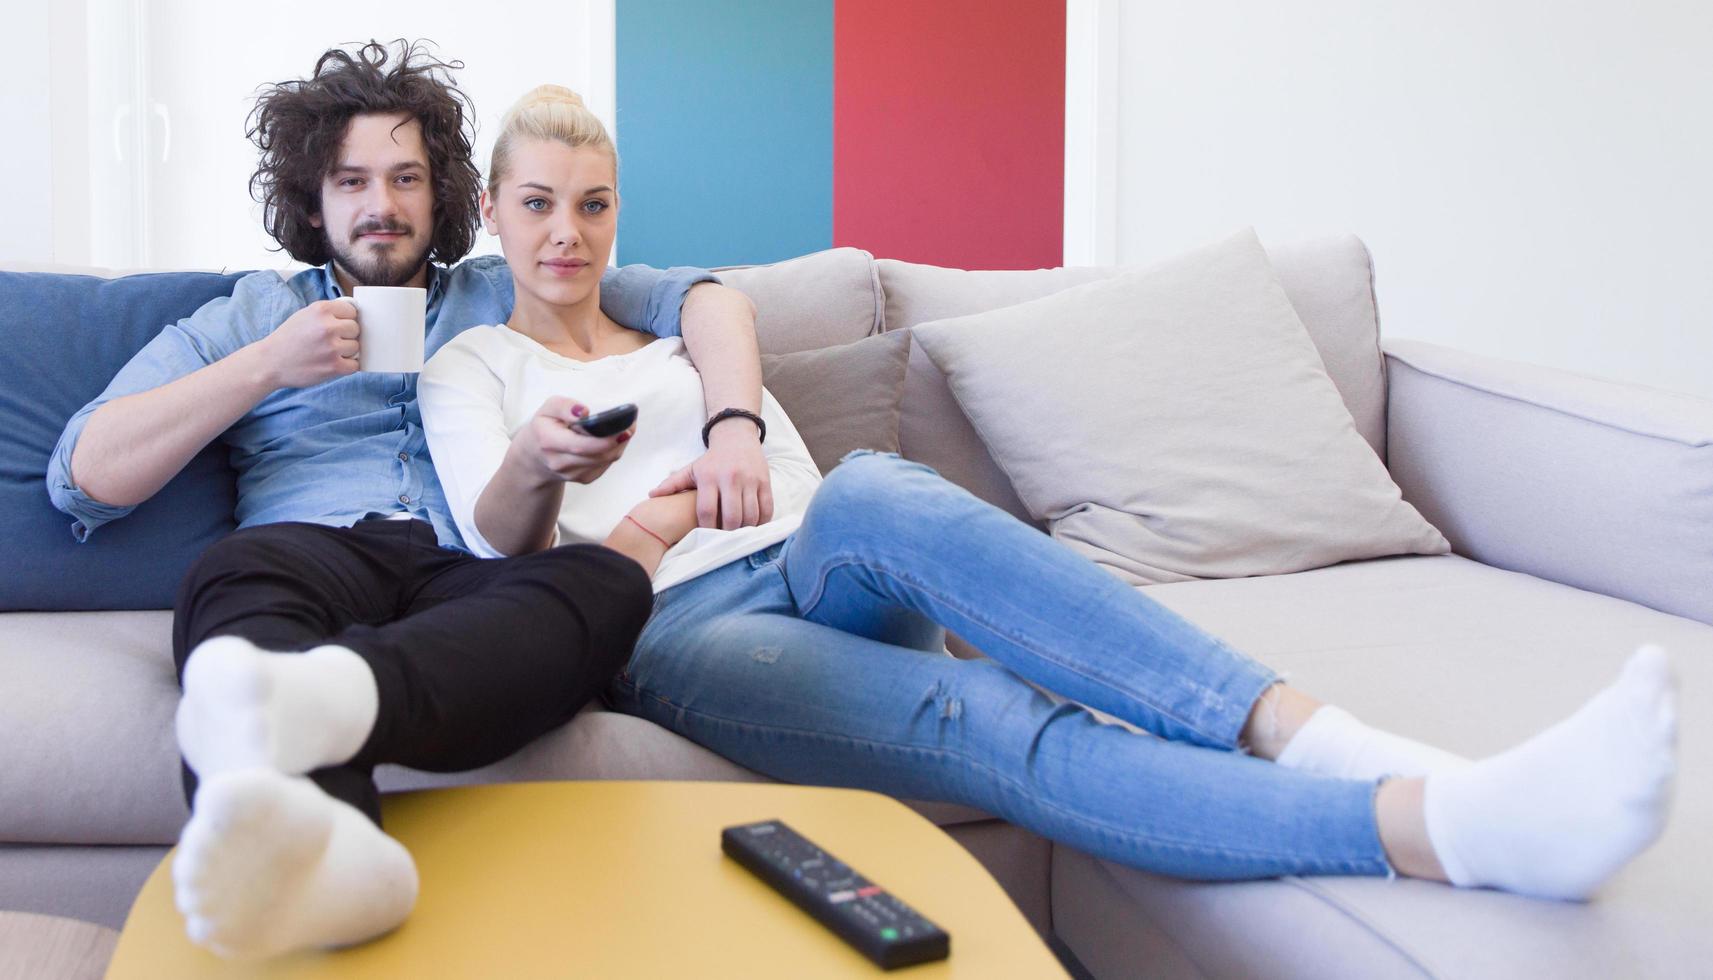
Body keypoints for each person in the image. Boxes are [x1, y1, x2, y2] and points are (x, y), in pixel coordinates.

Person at [419, 80, 1680, 915]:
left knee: (877, 489)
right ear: (495, 210)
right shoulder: (475, 360)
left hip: (818, 554)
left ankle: (1316, 728)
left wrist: (739, 422)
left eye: (590, 204)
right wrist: (542, 461)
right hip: (685, 627)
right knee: (988, 713)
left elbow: (720, 309)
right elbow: (489, 536)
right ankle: (1437, 824)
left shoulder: (672, 322)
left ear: (615, 210)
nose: (565, 234)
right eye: (536, 206)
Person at [45, 43, 772, 959]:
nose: (381, 206)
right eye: (351, 181)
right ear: (314, 200)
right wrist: (268, 367)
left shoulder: (515, 282)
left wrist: (736, 427)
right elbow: (85, 474)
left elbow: (704, 301)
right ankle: (337, 857)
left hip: (470, 571)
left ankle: (330, 715)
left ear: (447, 197)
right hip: (308, 550)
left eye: (405, 179)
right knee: (232, 579)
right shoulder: (255, 316)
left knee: (602, 587)